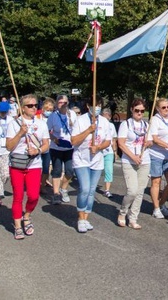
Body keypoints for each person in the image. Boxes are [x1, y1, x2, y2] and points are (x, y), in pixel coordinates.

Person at [6, 94, 50, 240]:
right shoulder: (14, 123)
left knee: (33, 195)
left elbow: (46, 145)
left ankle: (27, 216)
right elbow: (9, 146)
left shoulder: (42, 123)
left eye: (35, 105)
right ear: (22, 108)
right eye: (30, 106)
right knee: (18, 196)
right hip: (17, 164)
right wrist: (20, 133)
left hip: (34, 164)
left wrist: (37, 151)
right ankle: (18, 226)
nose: (33, 108)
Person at [70, 96, 110, 233]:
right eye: (94, 105)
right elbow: (73, 141)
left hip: (96, 160)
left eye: (99, 105)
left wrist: (98, 147)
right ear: (88, 106)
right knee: (85, 188)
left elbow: (108, 141)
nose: (97, 107)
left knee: (92, 191)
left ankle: (86, 217)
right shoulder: (80, 121)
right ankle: (80, 218)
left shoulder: (104, 122)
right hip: (81, 159)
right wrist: (88, 130)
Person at [116, 99, 152, 229]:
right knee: (132, 191)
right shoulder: (126, 124)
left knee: (140, 192)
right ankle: (122, 212)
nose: (139, 113)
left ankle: (133, 218)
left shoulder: (147, 125)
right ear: (132, 110)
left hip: (145, 161)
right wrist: (133, 157)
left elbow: (151, 141)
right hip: (129, 161)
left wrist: (148, 143)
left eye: (142, 111)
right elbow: (121, 143)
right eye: (137, 110)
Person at [46, 95, 76, 205]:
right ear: (57, 104)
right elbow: (47, 131)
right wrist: (54, 138)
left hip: (70, 147)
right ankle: (56, 194)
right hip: (57, 147)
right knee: (57, 170)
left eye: (64, 102)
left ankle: (64, 189)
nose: (62, 104)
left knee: (69, 171)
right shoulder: (53, 116)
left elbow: (77, 129)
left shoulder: (72, 114)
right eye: (60, 102)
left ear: (68, 103)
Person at [100, 107, 116, 198]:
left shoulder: (112, 126)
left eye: (108, 116)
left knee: (109, 171)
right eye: (104, 115)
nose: (107, 117)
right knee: (96, 170)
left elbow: (113, 139)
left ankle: (107, 190)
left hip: (109, 151)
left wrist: (115, 151)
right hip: (99, 151)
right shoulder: (99, 124)